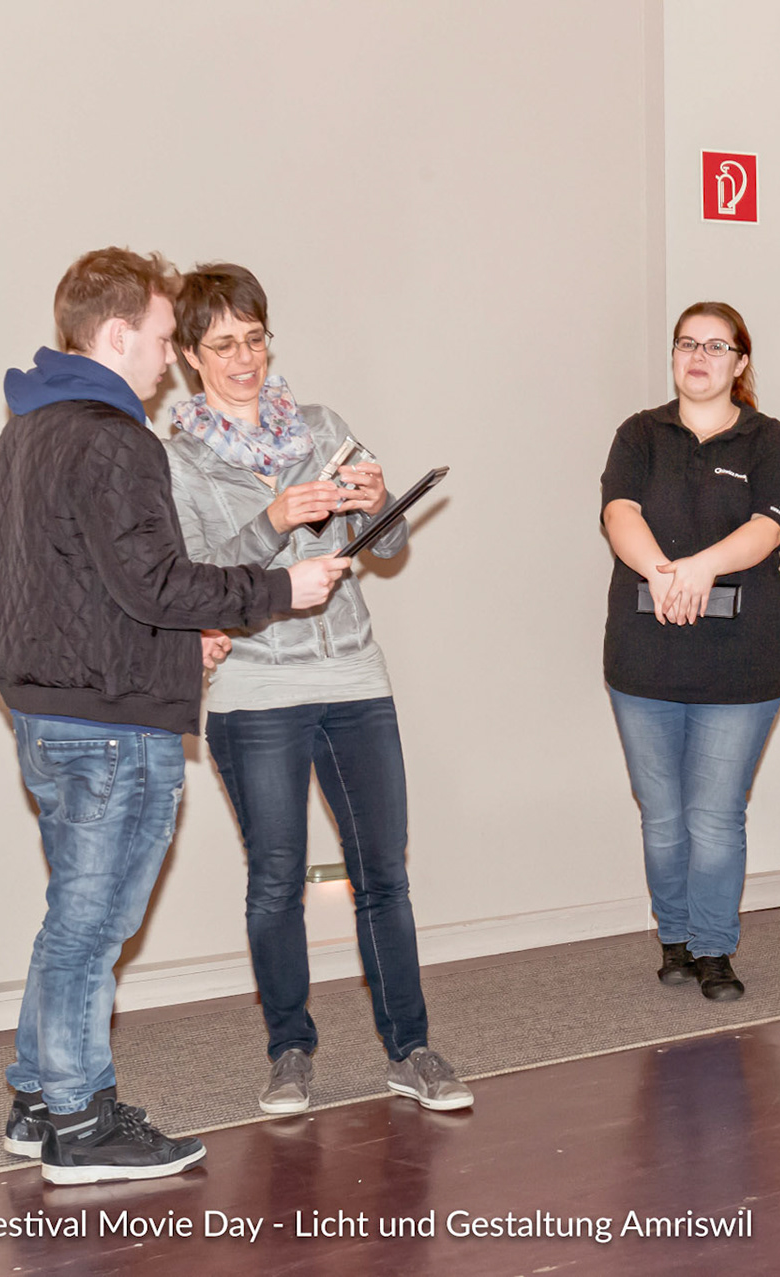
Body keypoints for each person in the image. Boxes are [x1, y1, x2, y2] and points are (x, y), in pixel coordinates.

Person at [0, 248, 348, 1184]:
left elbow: (74, 590)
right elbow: (156, 581)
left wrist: (176, 648)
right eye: (158, 335)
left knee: (72, 914)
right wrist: (281, 588)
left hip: (51, 712)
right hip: (112, 726)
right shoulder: (115, 439)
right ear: (115, 335)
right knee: (93, 926)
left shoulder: (25, 433)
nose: (166, 357)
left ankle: (38, 1099)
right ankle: (81, 1120)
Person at [164, 264, 472, 1114]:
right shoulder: (177, 460)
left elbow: (388, 546)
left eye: (254, 339)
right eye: (222, 345)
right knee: (277, 879)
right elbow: (195, 582)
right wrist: (275, 519)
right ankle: (290, 1053)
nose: (244, 359)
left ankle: (411, 1049)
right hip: (255, 687)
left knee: (384, 874)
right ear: (189, 356)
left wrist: (380, 502)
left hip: (355, 673)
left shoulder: (321, 426)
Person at [601, 302, 780, 1002]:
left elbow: (769, 528)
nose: (699, 356)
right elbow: (619, 512)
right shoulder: (639, 434)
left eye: (717, 346)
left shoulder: (769, 440)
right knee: (662, 816)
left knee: (714, 816)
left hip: (740, 660)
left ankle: (715, 948)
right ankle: (676, 937)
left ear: (740, 362)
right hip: (644, 657)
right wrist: (662, 573)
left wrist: (700, 568)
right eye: (688, 343)